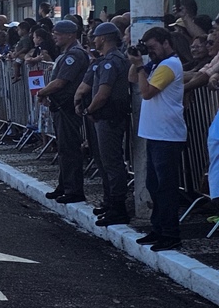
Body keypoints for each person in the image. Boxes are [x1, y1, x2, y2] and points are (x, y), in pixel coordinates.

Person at [128, 27, 186, 252]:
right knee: (154, 185)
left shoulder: (169, 65)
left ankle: (171, 234)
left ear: (166, 43)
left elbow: (147, 92)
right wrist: (137, 61)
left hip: (167, 135)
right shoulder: (156, 64)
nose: (150, 52)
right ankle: (159, 228)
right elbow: (132, 78)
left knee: (166, 188)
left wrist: (140, 66)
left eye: (152, 47)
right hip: (155, 133)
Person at [74, 22, 131, 226]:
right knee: (104, 162)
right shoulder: (105, 60)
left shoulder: (112, 61)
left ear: (104, 38)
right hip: (103, 117)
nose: (93, 40)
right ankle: (109, 202)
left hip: (109, 117)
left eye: (95, 36)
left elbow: (103, 93)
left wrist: (89, 109)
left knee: (112, 163)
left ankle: (118, 207)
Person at [36, 19, 90, 204]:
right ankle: (64, 185)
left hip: (68, 108)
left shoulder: (74, 55)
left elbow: (60, 82)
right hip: (61, 106)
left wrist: (42, 92)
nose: (54, 37)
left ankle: (73, 190)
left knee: (69, 149)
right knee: (64, 148)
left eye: (58, 34)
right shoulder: (68, 54)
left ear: (70, 35)